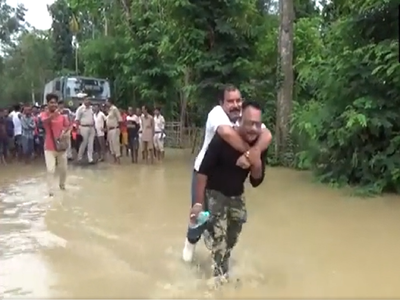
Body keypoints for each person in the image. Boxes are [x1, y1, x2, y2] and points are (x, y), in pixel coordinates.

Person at [182, 84, 272, 263]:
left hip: (228, 183)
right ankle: (190, 243)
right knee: (199, 217)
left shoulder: (247, 121)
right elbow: (227, 134)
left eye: (238, 100)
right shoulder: (217, 115)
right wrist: (251, 153)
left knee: (224, 228)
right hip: (204, 173)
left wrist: (253, 156)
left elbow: (267, 134)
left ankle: (218, 250)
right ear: (221, 103)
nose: (235, 105)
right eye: (230, 101)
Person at [192, 101, 266, 283]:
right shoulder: (222, 140)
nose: (253, 129)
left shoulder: (258, 145)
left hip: (236, 194)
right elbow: (202, 171)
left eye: (257, 124)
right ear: (241, 120)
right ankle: (219, 280)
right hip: (215, 192)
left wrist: (255, 160)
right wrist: (198, 204)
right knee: (219, 238)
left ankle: (220, 256)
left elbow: (256, 181)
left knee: (233, 235)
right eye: (249, 123)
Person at [41, 93, 70, 196]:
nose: (54, 105)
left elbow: (67, 127)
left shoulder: (63, 117)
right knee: (50, 170)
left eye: (55, 103)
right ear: (47, 103)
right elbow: (44, 122)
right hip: (49, 147)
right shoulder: (44, 114)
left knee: (64, 170)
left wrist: (64, 132)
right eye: (51, 102)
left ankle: (62, 186)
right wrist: (53, 115)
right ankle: (50, 192)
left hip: (61, 147)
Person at [75, 98, 95, 164]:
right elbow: (77, 119)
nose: (88, 102)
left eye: (89, 100)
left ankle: (90, 158)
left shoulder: (92, 108)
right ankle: (79, 157)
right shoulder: (80, 109)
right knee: (83, 143)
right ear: (84, 101)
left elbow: (93, 118)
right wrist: (77, 129)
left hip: (91, 127)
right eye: (86, 100)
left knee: (91, 144)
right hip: (83, 127)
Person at [105, 98, 122, 163]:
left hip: (115, 129)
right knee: (111, 146)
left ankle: (118, 161)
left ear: (110, 102)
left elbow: (120, 119)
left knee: (116, 145)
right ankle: (114, 160)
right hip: (109, 130)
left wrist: (118, 129)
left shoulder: (115, 109)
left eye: (106, 102)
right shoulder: (108, 111)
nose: (106, 103)